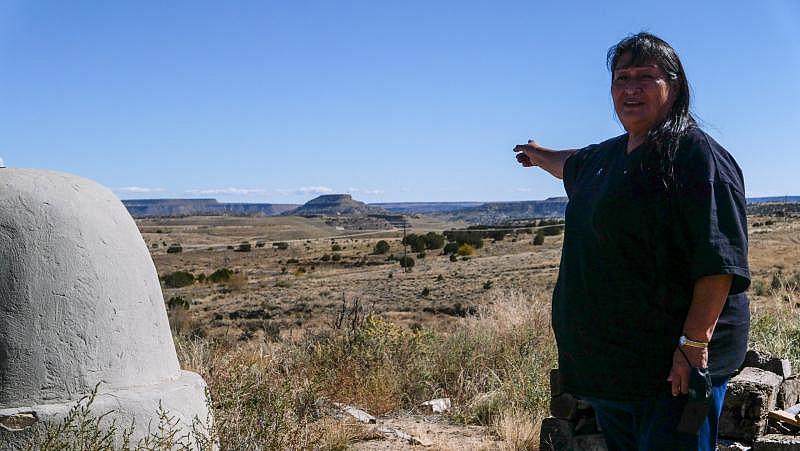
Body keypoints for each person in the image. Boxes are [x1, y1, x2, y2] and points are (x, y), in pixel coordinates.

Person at [514, 32, 750, 450]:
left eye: (646, 76)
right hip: (615, 370)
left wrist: (693, 347)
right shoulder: (605, 158)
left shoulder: (696, 157)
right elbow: (570, 163)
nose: (631, 88)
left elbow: (718, 264)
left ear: (674, 87)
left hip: (672, 374)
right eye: (621, 78)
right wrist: (537, 154)